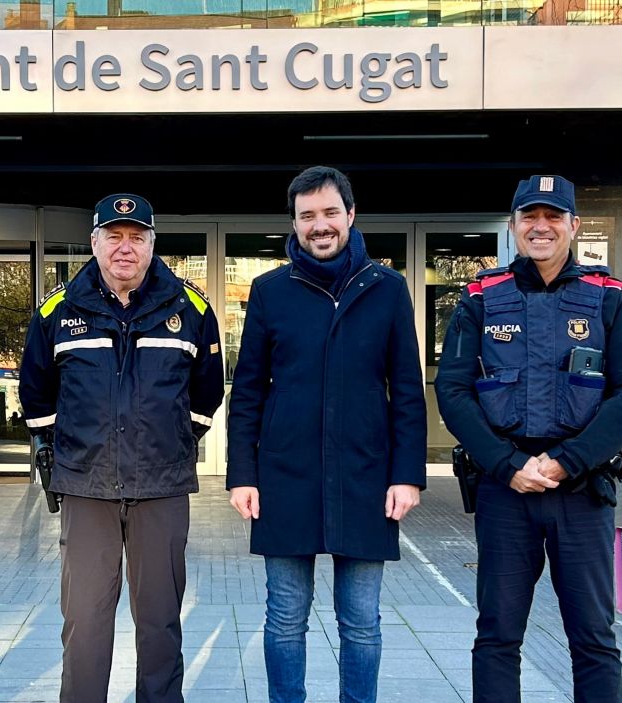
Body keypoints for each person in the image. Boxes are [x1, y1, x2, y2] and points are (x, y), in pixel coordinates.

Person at [434, 175, 622, 703]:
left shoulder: (608, 299)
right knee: (497, 637)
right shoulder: (480, 299)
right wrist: (507, 464)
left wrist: (565, 461)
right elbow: (453, 390)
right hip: (505, 493)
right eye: (529, 216)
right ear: (512, 227)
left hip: (582, 492)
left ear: (574, 226)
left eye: (553, 216)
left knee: (595, 640)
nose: (541, 226)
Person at [226, 166, 426, 703]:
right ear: (293, 223)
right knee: (285, 618)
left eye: (329, 213)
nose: (320, 226)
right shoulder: (271, 291)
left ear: (351, 215)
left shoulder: (387, 289)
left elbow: (407, 389)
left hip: (365, 477)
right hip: (286, 478)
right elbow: (247, 390)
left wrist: (407, 476)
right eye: (308, 216)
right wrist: (242, 474)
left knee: (361, 622)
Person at [18, 194, 225, 703]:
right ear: (95, 243)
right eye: (114, 236)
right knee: (85, 623)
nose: (125, 248)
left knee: (159, 623)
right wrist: (64, 450)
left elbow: (207, 392)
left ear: (153, 244)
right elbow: (35, 392)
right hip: (87, 490)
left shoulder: (191, 309)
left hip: (162, 488)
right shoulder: (57, 310)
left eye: (137, 237)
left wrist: (175, 441)